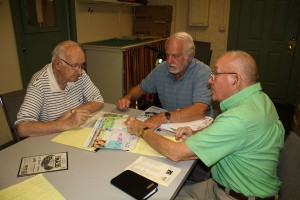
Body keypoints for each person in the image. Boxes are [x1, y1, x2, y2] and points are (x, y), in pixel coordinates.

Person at [126, 50, 285, 199]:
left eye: (216, 73)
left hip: (233, 195)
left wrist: (142, 129)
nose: (210, 80)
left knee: (158, 194)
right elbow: (237, 138)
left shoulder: (238, 119)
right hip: (227, 186)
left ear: (235, 80)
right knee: (165, 194)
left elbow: (176, 152)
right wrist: (197, 136)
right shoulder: (260, 99)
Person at [116, 32, 212, 129]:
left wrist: (164, 117)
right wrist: (127, 97)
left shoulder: (202, 72)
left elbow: (200, 110)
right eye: (167, 55)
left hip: (196, 129)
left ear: (190, 57)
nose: (169, 61)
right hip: (169, 126)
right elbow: (141, 88)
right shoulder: (161, 69)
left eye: (175, 56)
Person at [16, 40, 104, 137]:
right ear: (58, 64)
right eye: (75, 66)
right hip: (51, 138)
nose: (80, 72)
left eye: (81, 65)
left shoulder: (79, 75)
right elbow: (23, 128)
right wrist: (67, 123)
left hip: (76, 133)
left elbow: (98, 100)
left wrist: (72, 112)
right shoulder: (39, 83)